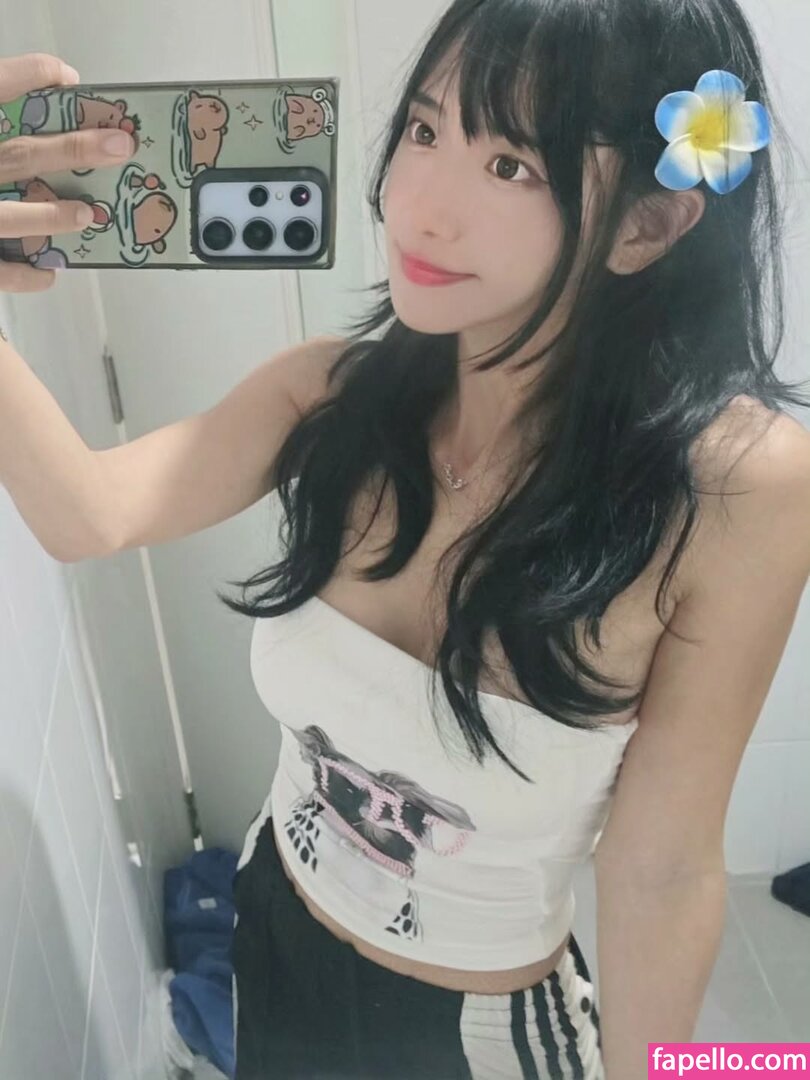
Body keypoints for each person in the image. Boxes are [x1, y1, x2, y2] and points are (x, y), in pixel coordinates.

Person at [1, 0, 809, 1074]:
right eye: (425, 130)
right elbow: (87, 513)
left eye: (512, 165)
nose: (417, 207)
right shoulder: (329, 397)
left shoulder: (733, 492)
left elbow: (663, 871)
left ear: (647, 227)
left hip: (474, 1032)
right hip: (272, 927)